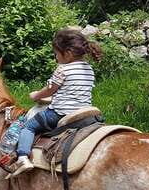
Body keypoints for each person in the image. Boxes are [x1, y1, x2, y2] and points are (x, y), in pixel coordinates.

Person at [13, 28, 102, 175]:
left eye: (56, 53)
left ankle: (22, 157)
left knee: (29, 127)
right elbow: (71, 91)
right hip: (83, 113)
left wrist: (36, 95)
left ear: (67, 53)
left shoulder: (63, 70)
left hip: (60, 114)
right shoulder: (89, 69)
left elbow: (50, 90)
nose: (56, 57)